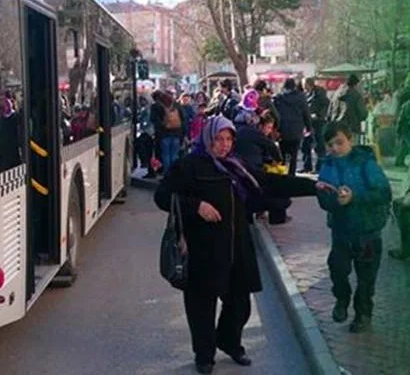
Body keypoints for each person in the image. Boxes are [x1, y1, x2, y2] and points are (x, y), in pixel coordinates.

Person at [155, 116, 317, 373]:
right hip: (203, 251)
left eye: (229, 139)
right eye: (219, 139)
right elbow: (162, 196)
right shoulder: (188, 166)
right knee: (202, 307)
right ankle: (204, 355)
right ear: (208, 139)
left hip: (236, 246)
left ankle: (230, 343)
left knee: (239, 304)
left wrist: (313, 186)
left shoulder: (237, 167)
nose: (224, 145)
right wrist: (196, 206)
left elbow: (269, 183)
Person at [317, 121, 392, 333]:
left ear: (350, 139)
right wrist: (334, 201)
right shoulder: (327, 164)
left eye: (339, 143)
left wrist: (354, 198)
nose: (335, 148)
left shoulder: (365, 162)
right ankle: (342, 299)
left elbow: (384, 193)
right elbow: (323, 198)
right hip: (341, 231)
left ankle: (363, 314)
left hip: (367, 231)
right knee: (337, 269)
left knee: (366, 277)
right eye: (330, 144)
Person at [273, 78, 311, 176]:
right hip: (296, 130)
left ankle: (282, 175)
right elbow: (306, 114)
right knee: (293, 156)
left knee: (282, 155)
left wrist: (275, 129)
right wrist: (309, 127)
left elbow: (275, 115)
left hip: (283, 130)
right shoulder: (301, 97)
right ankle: (291, 175)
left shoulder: (279, 97)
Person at [328, 74, 369, 141]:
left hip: (337, 126)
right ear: (356, 84)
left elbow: (330, 110)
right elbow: (362, 114)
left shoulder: (337, 93)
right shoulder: (356, 95)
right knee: (351, 147)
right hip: (352, 127)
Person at [302, 77, 330, 172]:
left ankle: (320, 167)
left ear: (308, 84)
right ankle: (307, 166)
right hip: (309, 122)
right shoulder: (307, 94)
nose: (303, 86)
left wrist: (319, 115)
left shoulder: (319, 93)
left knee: (319, 145)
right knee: (306, 144)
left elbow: (325, 105)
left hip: (318, 122)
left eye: (304, 84)